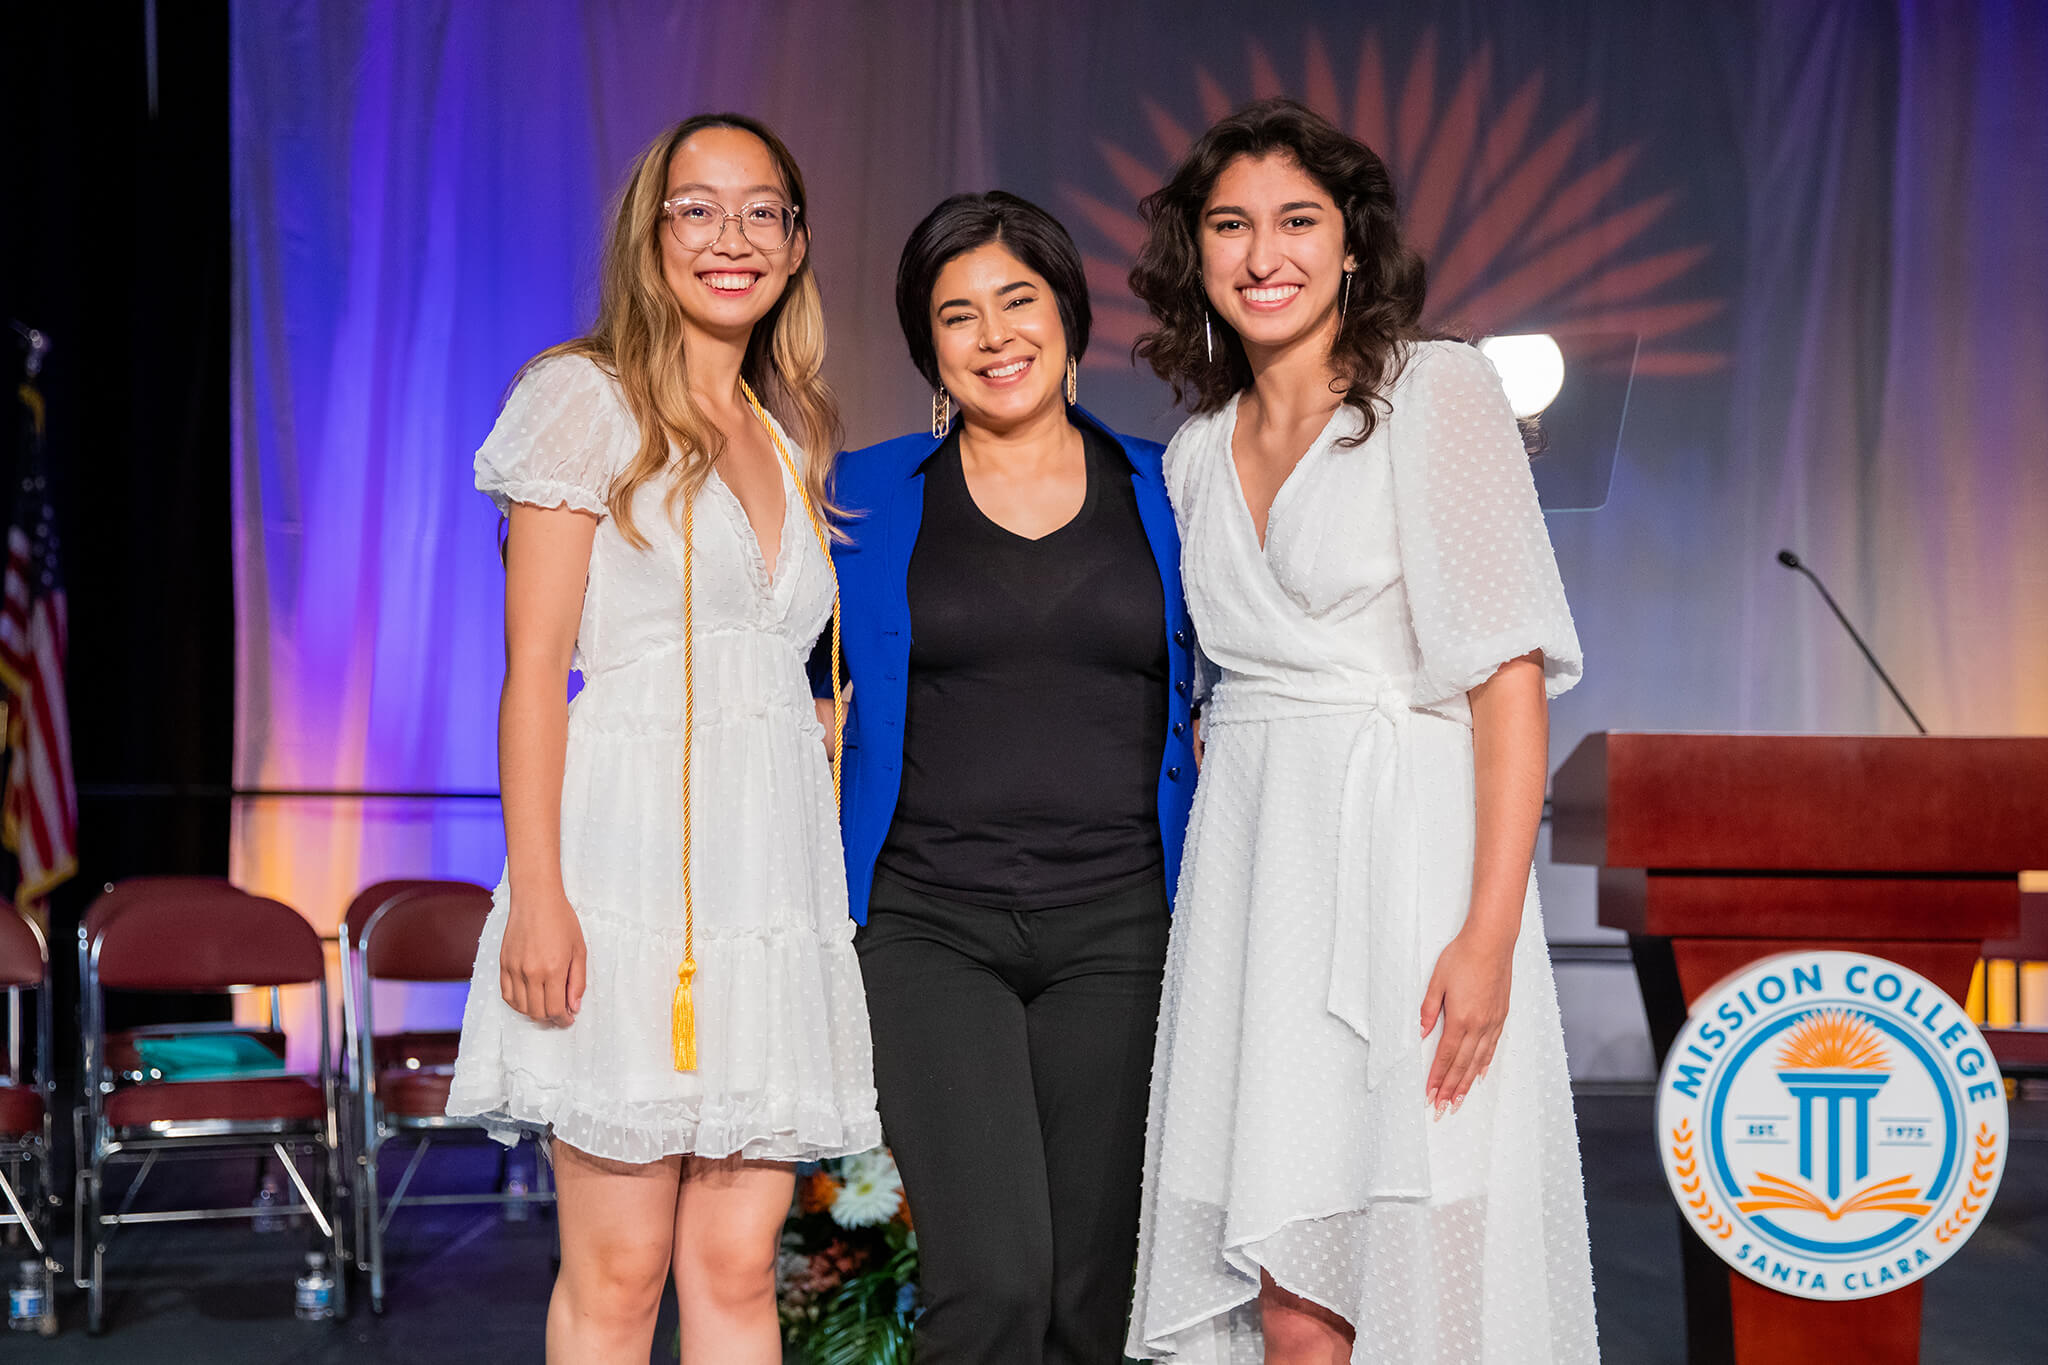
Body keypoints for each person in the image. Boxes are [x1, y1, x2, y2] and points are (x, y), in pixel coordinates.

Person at [1122, 98, 1600, 1364]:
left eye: (1296, 220)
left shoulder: (1432, 391)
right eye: (1230, 224)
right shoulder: (1189, 454)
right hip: (1258, 885)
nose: (1262, 253)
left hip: (1413, 871)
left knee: (1423, 1258)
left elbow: (1505, 681)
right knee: (1293, 1295)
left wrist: (1490, 930)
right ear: (1196, 252)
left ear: (1350, 247)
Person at [445, 113, 880, 1365]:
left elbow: (752, 665)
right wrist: (538, 898)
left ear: (795, 245)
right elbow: (534, 676)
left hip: (764, 890)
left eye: (762, 211)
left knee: (740, 1270)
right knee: (621, 1267)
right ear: (652, 232)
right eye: (697, 207)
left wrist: (815, 724)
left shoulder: (786, 437)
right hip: (622, 883)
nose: (729, 236)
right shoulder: (579, 398)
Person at [819, 191, 1200, 1364]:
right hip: (931, 928)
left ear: (1069, 317)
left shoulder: (1176, 489)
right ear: (926, 345)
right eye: (956, 315)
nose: (993, 336)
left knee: (1098, 1297)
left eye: (1016, 301)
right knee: (991, 1284)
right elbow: (783, 684)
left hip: (1125, 926)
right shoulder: (859, 497)